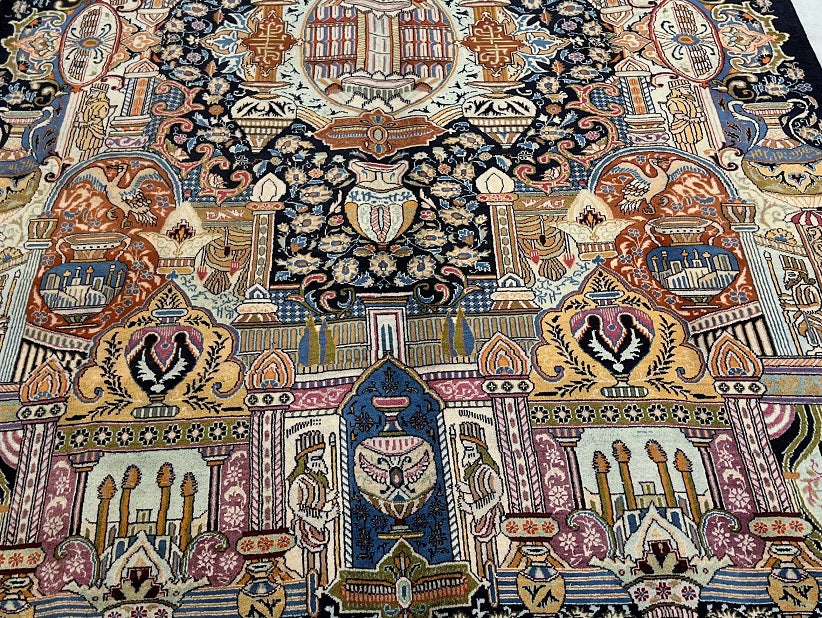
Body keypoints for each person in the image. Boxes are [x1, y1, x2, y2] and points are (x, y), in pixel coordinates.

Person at [287, 430, 337, 585]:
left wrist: (330, 497)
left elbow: (320, 497)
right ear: (305, 461)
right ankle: (311, 583)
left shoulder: (318, 480)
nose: (319, 462)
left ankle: (325, 582)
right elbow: (296, 506)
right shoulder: (300, 481)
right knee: (310, 556)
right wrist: (326, 516)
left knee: (323, 554)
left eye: (320, 458)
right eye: (315, 459)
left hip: (319, 525)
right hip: (306, 524)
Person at [457, 422, 504, 576]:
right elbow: (475, 488)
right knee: (478, 547)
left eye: (470, 449)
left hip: (489, 515)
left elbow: (495, 494)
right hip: (480, 517)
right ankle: (480, 575)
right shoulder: (474, 470)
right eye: (465, 449)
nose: (467, 453)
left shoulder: (488, 471)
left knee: (489, 547)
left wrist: (471, 508)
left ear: (479, 450)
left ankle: (492, 574)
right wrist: (463, 488)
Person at [781, 256, 822, 355]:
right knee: (806, 329)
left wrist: (792, 307)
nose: (787, 279)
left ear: (801, 275)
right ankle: (816, 347)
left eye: (791, 275)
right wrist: (788, 297)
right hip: (804, 317)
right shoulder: (796, 289)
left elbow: (817, 305)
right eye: (786, 275)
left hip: (815, 316)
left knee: (815, 328)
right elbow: (798, 299)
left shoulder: (810, 288)